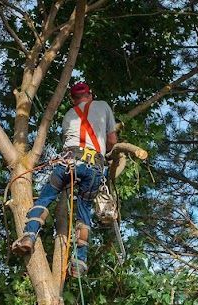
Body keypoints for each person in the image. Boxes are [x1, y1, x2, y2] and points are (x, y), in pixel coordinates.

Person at [11, 82, 117, 277]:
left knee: (45, 198)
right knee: (84, 210)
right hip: (94, 167)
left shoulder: (69, 115)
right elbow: (111, 141)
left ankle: (28, 236)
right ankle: (79, 262)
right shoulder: (103, 106)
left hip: (68, 163)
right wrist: (107, 153)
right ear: (90, 94)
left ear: (72, 99)